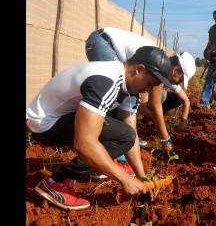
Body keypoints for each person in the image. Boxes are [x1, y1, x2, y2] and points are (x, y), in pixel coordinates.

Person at [26, 46, 171, 210]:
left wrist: (142, 178)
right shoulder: (106, 81)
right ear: (139, 69)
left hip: (63, 118)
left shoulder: (130, 91)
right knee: (105, 139)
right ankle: (56, 182)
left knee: (126, 135)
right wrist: (124, 179)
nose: (149, 90)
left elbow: (131, 136)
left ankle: (91, 166)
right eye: (150, 84)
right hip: (44, 124)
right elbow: (84, 144)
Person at [85, 27, 196, 159]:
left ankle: (122, 142)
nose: (178, 84)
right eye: (181, 80)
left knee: (127, 98)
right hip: (102, 41)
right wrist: (165, 139)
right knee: (113, 92)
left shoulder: (163, 68)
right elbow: (155, 106)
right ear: (176, 70)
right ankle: (100, 145)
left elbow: (146, 104)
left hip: (103, 41)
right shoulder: (158, 65)